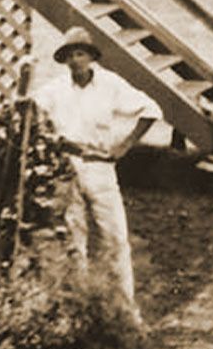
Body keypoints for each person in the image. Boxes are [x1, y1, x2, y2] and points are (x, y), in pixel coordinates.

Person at [29, 29, 161, 316]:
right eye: (70, 56)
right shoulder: (56, 89)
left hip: (100, 167)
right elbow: (32, 111)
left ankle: (126, 310)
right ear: (64, 61)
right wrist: (49, 140)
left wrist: (125, 145)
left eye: (80, 54)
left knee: (114, 238)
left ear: (91, 57)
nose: (76, 61)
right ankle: (79, 307)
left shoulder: (110, 85)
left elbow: (151, 109)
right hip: (68, 168)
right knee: (74, 239)